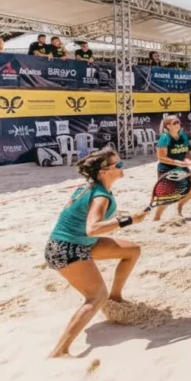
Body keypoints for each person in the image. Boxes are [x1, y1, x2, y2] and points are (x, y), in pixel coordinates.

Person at [44, 147, 147, 358]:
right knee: (96, 297)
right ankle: (59, 351)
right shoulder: (100, 196)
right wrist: (128, 220)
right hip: (66, 249)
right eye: (118, 165)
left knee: (132, 251)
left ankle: (115, 298)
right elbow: (93, 228)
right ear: (103, 171)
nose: (122, 166)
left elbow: (84, 219)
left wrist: (126, 217)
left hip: (77, 242)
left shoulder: (94, 187)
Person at [153, 115, 191, 220]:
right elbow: (160, 157)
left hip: (180, 166)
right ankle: (156, 218)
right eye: (175, 123)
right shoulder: (165, 138)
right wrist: (177, 162)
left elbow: (186, 151)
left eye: (178, 122)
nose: (178, 124)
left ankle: (180, 205)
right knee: (166, 198)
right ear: (168, 126)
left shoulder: (182, 135)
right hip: (167, 168)